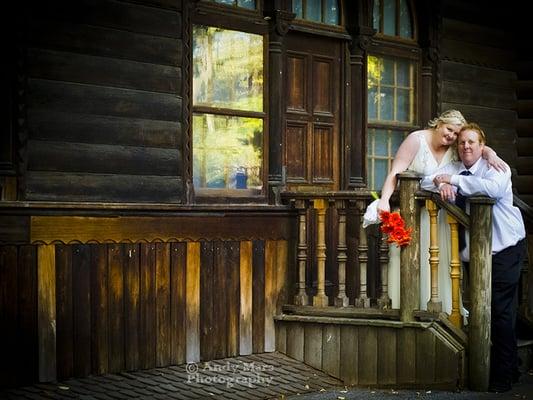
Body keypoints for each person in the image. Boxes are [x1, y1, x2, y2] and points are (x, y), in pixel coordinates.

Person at [421, 123, 526, 393]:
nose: (466, 146)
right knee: (488, 309)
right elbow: (424, 179)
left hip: (505, 247)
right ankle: (511, 368)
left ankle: (501, 377)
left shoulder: (496, 168)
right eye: (462, 143)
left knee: (499, 312)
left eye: (472, 142)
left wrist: (453, 182)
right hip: (475, 254)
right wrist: (439, 183)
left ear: (482, 146)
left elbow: (489, 190)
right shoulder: (456, 167)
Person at [375, 109, 506, 314]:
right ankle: (408, 307)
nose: (452, 136)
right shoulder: (416, 140)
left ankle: (442, 310)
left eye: (456, 134)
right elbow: (395, 172)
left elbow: (476, 144)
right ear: (439, 124)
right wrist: (383, 200)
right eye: (449, 129)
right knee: (410, 259)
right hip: (413, 213)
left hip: (441, 216)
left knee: (441, 263)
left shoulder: (455, 148)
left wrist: (491, 153)